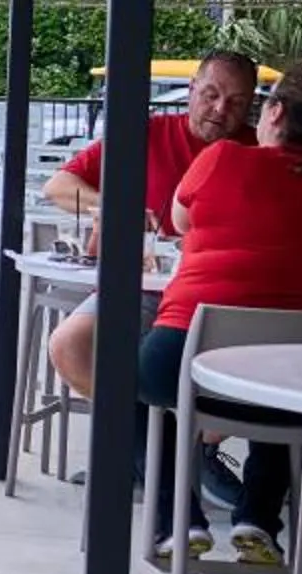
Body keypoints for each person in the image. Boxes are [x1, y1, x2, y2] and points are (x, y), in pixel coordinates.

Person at [136, 58, 302, 567]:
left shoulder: (222, 158)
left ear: (273, 112)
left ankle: (177, 520)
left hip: (189, 365)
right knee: (288, 353)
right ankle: (259, 519)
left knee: (127, 383)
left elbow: (177, 223)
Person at [42, 50, 258, 398]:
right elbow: (57, 187)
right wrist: (117, 208)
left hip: (223, 297)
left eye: (236, 102)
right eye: (211, 95)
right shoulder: (146, 134)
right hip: (140, 288)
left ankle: (163, 438)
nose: (220, 110)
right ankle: (144, 432)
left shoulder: (259, 148)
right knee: (69, 346)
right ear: (192, 89)